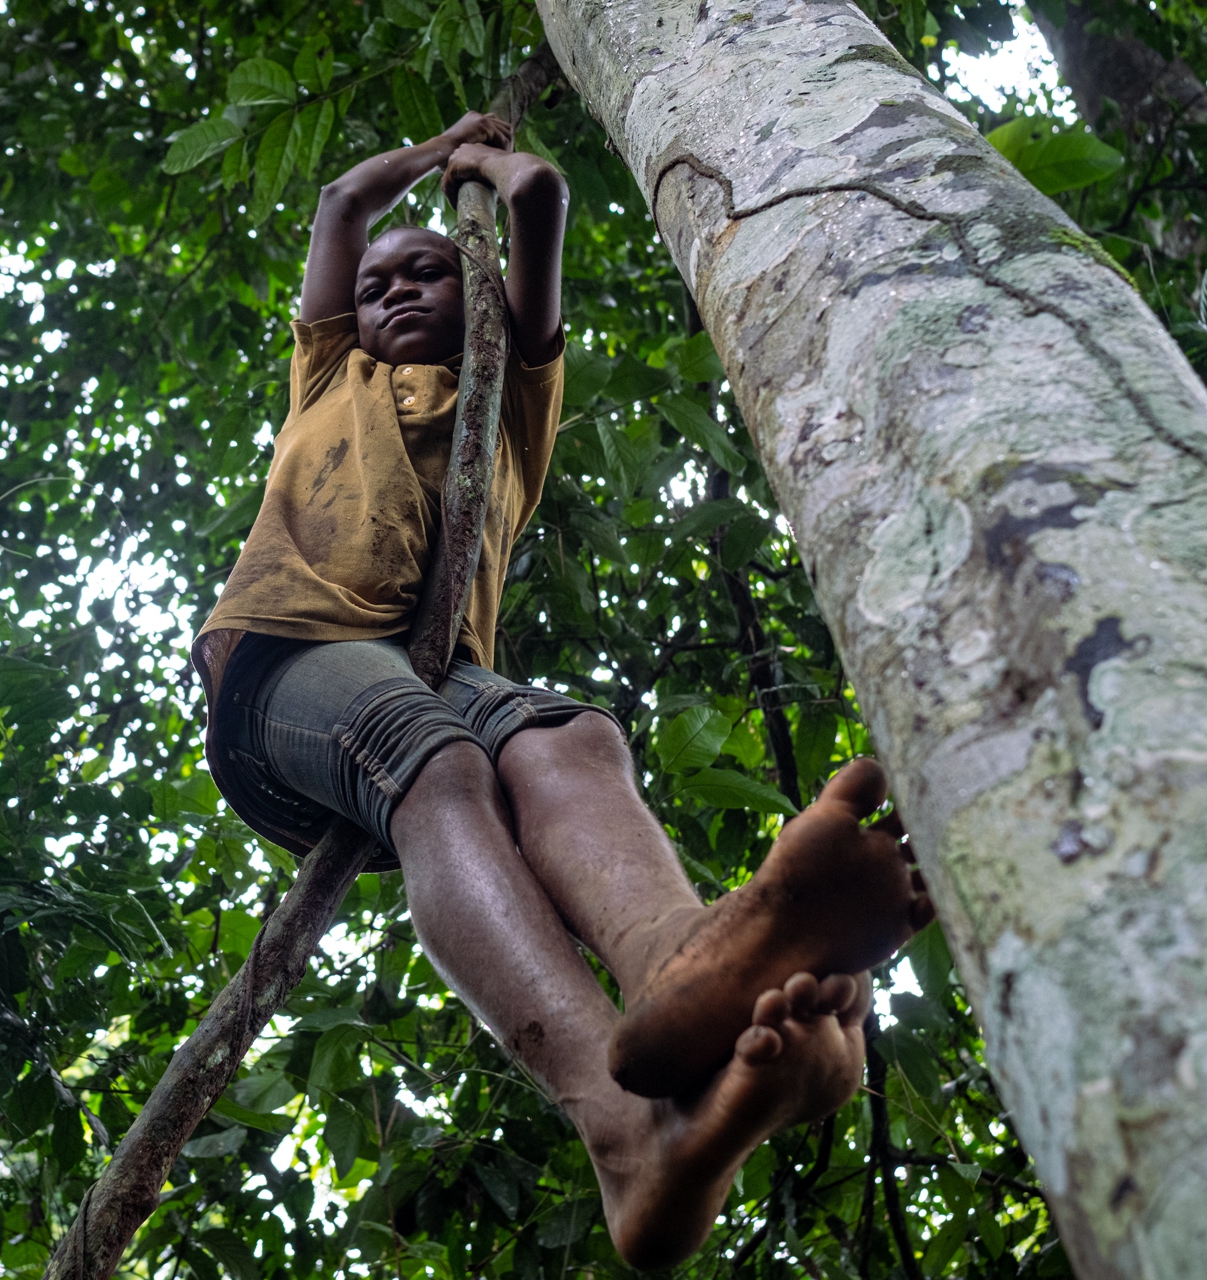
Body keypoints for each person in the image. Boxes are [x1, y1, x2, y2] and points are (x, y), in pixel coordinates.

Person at [191, 111, 934, 1268]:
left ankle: (682, 968)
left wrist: (491, 174)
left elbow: (536, 197)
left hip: (449, 666)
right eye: (379, 282)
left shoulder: (504, 391)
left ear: (472, 292)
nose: (394, 288)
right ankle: (619, 1121)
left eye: (427, 269)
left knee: (567, 738)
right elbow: (344, 208)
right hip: (290, 659)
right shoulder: (328, 373)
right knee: (431, 758)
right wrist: (437, 152)